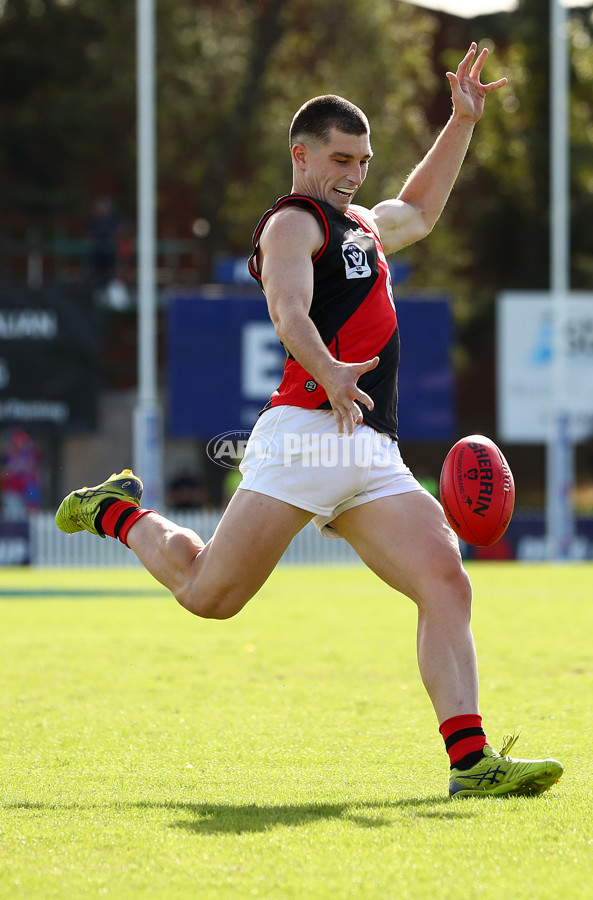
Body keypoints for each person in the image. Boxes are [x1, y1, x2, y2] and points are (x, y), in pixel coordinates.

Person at [56, 44, 563, 797]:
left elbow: (419, 212)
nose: (354, 174)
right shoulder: (292, 224)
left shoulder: (359, 222)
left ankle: (470, 763)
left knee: (447, 582)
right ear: (301, 156)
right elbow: (289, 310)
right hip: (306, 434)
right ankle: (118, 514)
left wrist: (460, 122)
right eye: (340, 159)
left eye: (362, 161)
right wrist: (327, 370)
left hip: (369, 448)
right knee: (208, 595)